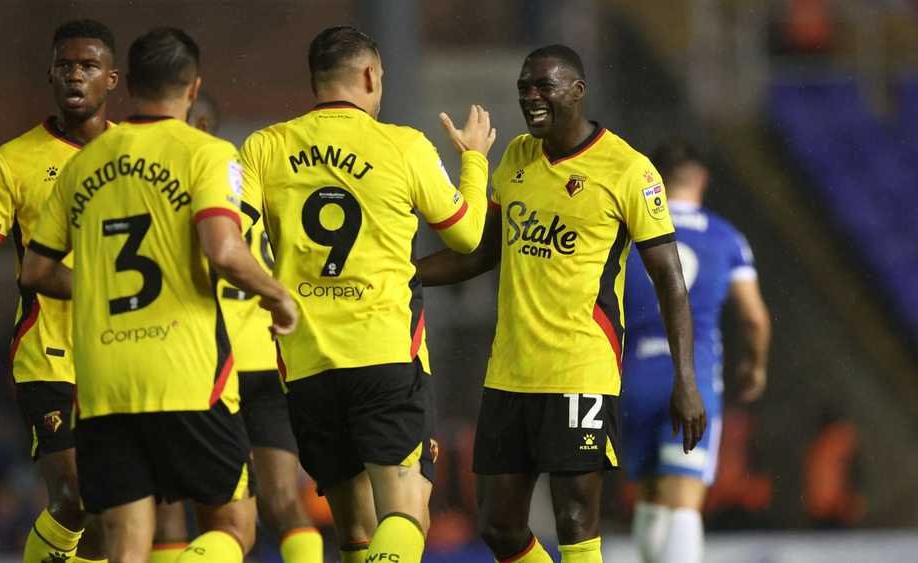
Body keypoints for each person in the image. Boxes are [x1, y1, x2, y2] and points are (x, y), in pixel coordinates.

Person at [416, 45, 706, 563]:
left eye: (543, 86)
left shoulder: (628, 170)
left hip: (580, 369)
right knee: (498, 526)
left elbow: (670, 280)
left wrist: (685, 379)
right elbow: (483, 252)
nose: (531, 97)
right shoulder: (517, 158)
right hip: (510, 373)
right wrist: (401, 273)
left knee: (575, 520)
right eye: (524, 88)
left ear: (577, 90)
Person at [20, 27, 297, 563]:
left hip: (104, 383)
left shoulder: (84, 164)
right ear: (193, 88)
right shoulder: (207, 153)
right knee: (234, 525)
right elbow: (223, 249)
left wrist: (97, 287)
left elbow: (35, 270)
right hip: (185, 375)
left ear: (128, 85)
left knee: (127, 545)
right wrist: (276, 293)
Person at [239, 25, 496, 563]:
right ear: (370, 75)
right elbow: (467, 236)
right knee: (406, 514)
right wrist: (474, 160)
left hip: (306, 365)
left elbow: (229, 237)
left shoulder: (266, 146)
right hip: (384, 357)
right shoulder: (402, 145)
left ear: (314, 80)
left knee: (355, 529)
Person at [0, 19, 118, 563]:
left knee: (108, 513)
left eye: (88, 66)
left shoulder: (136, 155)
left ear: (111, 78)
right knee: (73, 498)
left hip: (124, 350)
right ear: (50, 74)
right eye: (65, 65)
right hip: (50, 352)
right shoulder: (14, 159)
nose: (75, 75)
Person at [146, 92, 325, 563]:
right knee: (281, 501)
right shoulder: (260, 186)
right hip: (267, 358)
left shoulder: (174, 193)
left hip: (205, 365)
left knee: (180, 507)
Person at [622, 140, 770, 563]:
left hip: (634, 377)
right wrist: (755, 366)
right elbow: (754, 318)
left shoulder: (627, 234)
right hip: (693, 378)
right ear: (701, 179)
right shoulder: (725, 237)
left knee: (649, 496)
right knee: (683, 502)